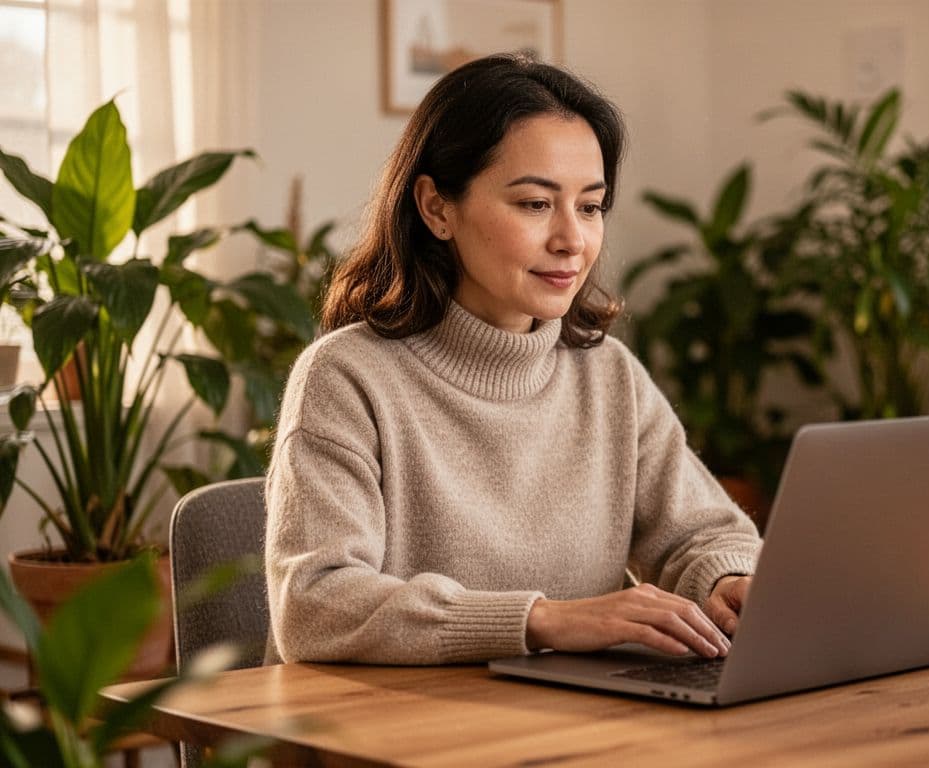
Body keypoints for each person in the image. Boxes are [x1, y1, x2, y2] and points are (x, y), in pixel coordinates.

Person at [263, 54, 762, 666]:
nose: (572, 240)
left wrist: (725, 583)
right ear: (436, 208)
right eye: (534, 204)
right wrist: (543, 621)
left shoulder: (609, 376)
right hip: (387, 738)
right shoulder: (346, 379)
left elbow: (703, 535)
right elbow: (315, 604)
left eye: (590, 206)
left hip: (572, 726)